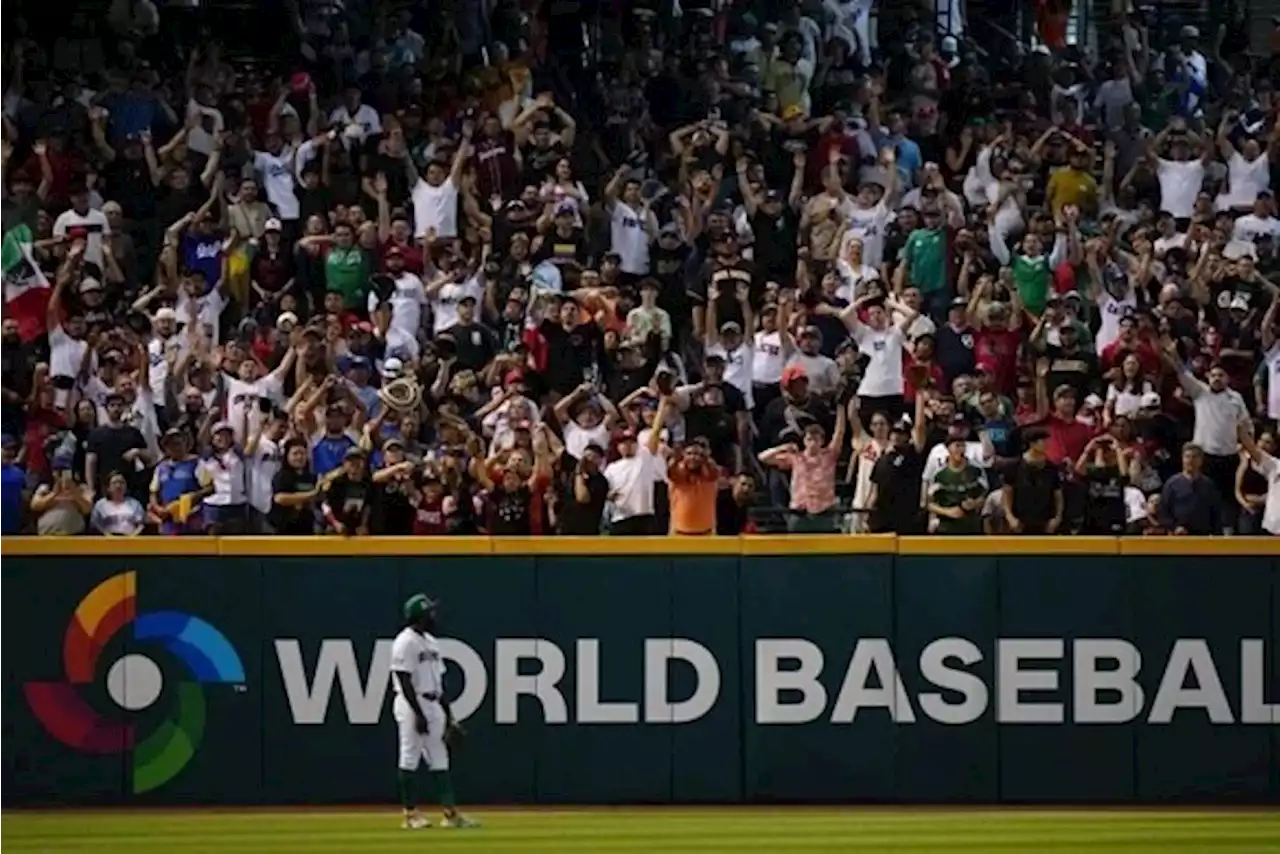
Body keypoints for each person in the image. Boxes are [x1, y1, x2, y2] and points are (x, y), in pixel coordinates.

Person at [390, 594, 479, 830]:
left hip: (434, 702)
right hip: (412, 703)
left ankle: (450, 815)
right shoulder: (404, 642)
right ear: (419, 616)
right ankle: (410, 815)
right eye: (429, 612)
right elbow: (404, 678)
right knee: (409, 757)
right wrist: (417, 713)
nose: (433, 615)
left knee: (440, 757)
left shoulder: (431, 641)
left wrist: (449, 716)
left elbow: (439, 683)